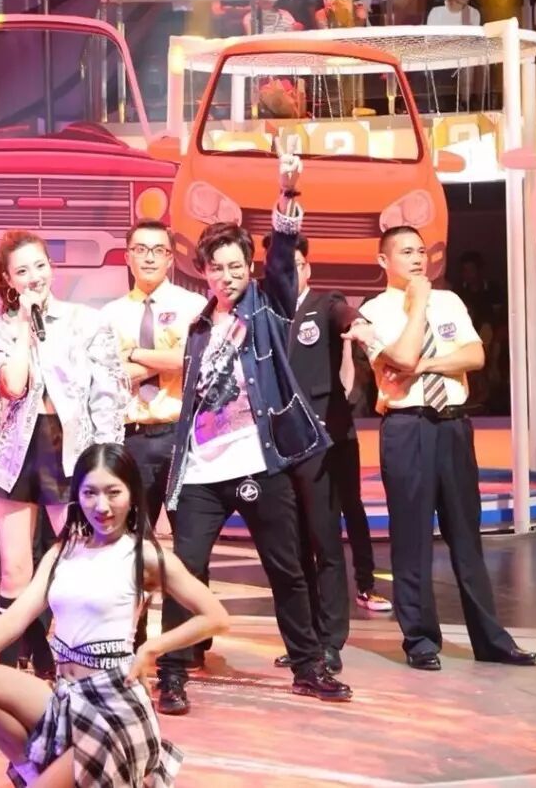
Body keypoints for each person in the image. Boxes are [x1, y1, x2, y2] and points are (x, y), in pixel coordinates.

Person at [156, 154, 355, 715]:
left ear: (249, 266)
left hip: (257, 465)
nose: (226, 275)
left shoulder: (268, 308)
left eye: (235, 265)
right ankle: (172, 673)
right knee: (183, 573)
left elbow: (284, 257)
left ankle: (309, 667)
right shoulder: (199, 327)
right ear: (204, 271)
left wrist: (287, 195)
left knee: (287, 569)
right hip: (201, 470)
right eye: (216, 267)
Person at [0, 443, 228, 786]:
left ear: (132, 494)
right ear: (77, 496)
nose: (102, 506)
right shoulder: (62, 552)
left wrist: (151, 649)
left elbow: (216, 617)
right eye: (90, 493)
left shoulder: (143, 555)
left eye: (113, 492)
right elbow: (15, 618)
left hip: (115, 709)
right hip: (67, 698)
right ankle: (34, 774)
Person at [359, 225, 536, 671]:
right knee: (412, 538)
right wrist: (418, 304)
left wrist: (427, 365)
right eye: (406, 252)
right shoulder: (372, 312)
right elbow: (400, 356)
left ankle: (491, 639)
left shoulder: (450, 301)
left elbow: (474, 355)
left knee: (466, 535)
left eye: (422, 251)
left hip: (454, 425)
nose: (418, 259)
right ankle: (420, 639)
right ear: (383, 261)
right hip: (407, 426)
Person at [0, 229, 128, 677]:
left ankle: (81, 663)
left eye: (40, 265)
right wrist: (23, 325)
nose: (34, 277)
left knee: (77, 562)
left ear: (52, 267)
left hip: (71, 448)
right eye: (22, 271)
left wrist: (106, 460)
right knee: (14, 571)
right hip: (16, 453)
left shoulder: (86, 321)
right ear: (7, 279)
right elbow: (12, 386)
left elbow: (108, 395)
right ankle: (6, 672)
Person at [270, 233, 386, 676]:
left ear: (308, 268)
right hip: (279, 446)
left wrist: (360, 326)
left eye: (297, 265)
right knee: (292, 548)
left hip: (322, 441)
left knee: (325, 543)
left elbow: (346, 314)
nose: (290, 273)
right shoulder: (265, 313)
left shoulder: (324, 304)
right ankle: (303, 640)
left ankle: (330, 640)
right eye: (282, 267)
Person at [101, 219, 208, 652]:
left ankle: (185, 647)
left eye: (158, 250)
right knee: (131, 546)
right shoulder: (109, 314)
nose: (149, 257)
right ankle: (133, 639)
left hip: (183, 437)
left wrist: (135, 354)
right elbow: (110, 375)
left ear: (169, 258)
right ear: (127, 256)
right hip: (131, 440)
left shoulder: (193, 305)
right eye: (140, 249)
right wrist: (164, 359)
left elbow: (192, 360)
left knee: (189, 546)